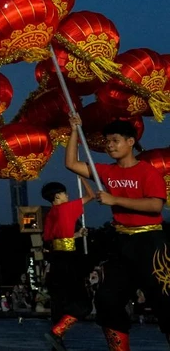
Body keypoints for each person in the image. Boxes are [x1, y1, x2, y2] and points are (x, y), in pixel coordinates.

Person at [66, 118, 170, 349]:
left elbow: (155, 206)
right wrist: (74, 130)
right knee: (107, 300)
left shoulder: (148, 172)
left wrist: (115, 199)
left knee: (165, 301)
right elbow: (72, 163)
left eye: (115, 141)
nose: (109, 146)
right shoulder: (105, 171)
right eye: (107, 142)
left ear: (130, 142)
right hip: (122, 243)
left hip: (151, 243)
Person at [40, 179, 94, 350]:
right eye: (64, 193)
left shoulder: (50, 214)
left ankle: (56, 342)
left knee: (59, 305)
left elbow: (50, 239)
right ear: (57, 196)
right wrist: (82, 177)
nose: (67, 195)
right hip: (69, 262)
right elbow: (91, 195)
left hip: (56, 262)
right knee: (83, 304)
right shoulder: (66, 208)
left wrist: (76, 235)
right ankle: (57, 332)